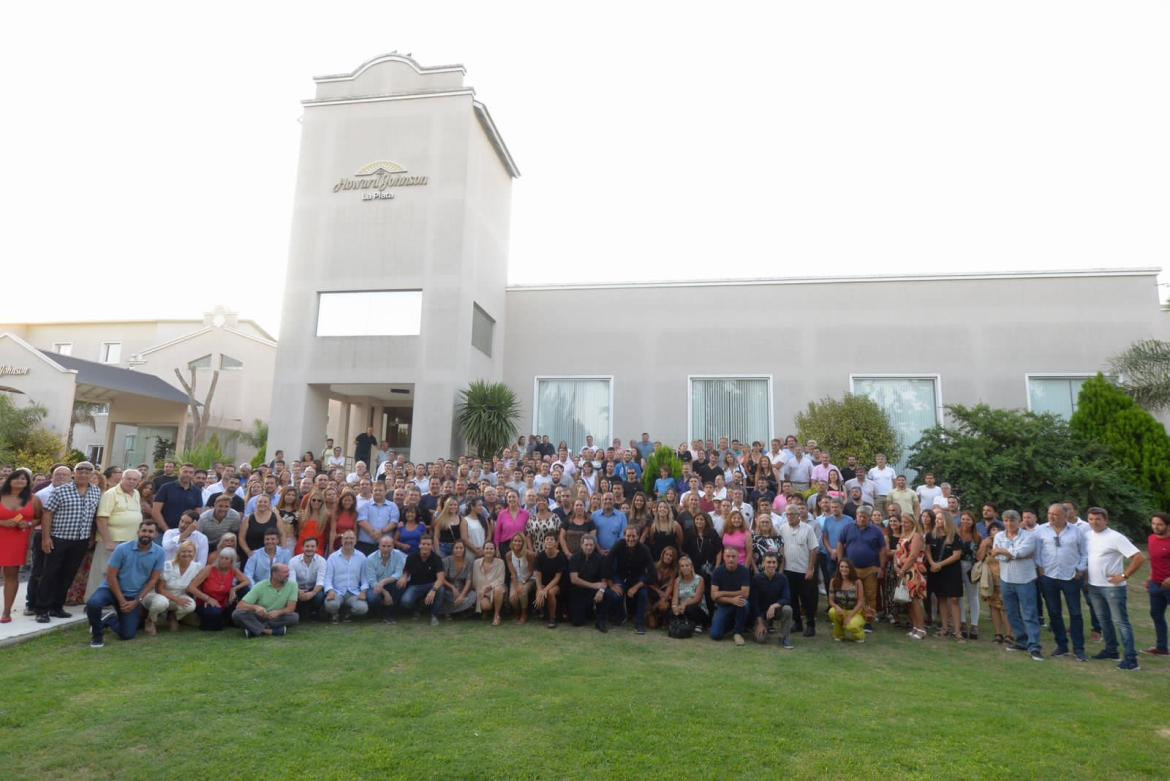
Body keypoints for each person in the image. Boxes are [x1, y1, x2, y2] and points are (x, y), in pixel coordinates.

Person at [35, 461, 100, 624]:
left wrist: (91, 537)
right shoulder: (61, 491)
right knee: (50, 574)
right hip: (59, 539)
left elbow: (94, 517)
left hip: (80, 541)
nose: (83, 474)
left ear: (92, 474)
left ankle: (57, 607)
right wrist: (46, 538)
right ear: (74, 473)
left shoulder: (96, 492)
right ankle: (42, 609)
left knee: (68, 575)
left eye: (88, 471)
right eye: (80, 470)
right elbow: (47, 513)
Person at [1084, 507, 1146, 671]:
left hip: (1113, 588)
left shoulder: (1116, 537)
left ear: (1106, 520)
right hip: (1094, 586)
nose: (1094, 522)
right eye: (1090, 519)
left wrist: (1124, 576)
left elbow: (1139, 558)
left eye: (1098, 519)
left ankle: (1131, 659)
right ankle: (1111, 651)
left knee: (1121, 622)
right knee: (1103, 620)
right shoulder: (1088, 536)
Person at [84, 520, 164, 647]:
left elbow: (153, 580)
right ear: (138, 532)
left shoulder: (160, 552)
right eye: (144, 530)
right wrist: (121, 600)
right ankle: (97, 637)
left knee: (127, 635)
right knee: (93, 603)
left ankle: (109, 620)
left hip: (133, 596)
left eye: (150, 531)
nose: (146, 534)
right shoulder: (122, 549)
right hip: (110, 589)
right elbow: (111, 576)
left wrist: (137, 601)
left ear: (155, 535)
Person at [1035, 502, 1088, 661]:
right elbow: (1037, 551)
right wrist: (1040, 567)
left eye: (1056, 514)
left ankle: (1079, 649)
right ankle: (1062, 646)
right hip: (1049, 576)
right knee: (1054, 612)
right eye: (1050, 513)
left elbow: (1084, 553)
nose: (1051, 517)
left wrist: (1080, 568)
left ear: (1065, 516)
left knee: (1075, 613)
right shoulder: (1041, 530)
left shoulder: (1077, 532)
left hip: (1071, 577)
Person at [992, 510, 1043, 661]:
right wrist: (1009, 554)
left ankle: (1034, 646)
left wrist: (1006, 553)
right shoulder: (999, 536)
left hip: (1025, 580)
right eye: (1006, 521)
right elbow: (997, 555)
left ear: (1018, 521)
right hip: (1006, 578)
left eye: (1012, 521)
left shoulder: (1029, 536)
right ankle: (1021, 641)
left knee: (1029, 613)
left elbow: (1021, 552)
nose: (1009, 524)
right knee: (1012, 612)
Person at [86, 468, 144, 600]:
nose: (131, 481)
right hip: (112, 541)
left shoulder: (136, 493)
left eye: (134, 479)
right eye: (128, 478)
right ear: (122, 479)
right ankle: (94, 600)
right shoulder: (111, 494)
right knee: (103, 571)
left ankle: (113, 600)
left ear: (138, 482)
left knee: (121, 573)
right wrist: (108, 541)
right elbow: (101, 519)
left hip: (130, 541)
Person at [838, 505, 886, 632]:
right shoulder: (848, 528)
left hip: (871, 568)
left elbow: (882, 549)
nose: (862, 519)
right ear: (856, 516)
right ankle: (851, 618)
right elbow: (840, 544)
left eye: (865, 517)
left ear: (869, 518)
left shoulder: (876, 531)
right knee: (852, 595)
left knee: (870, 595)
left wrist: (881, 567)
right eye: (860, 516)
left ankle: (868, 622)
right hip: (852, 569)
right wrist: (840, 561)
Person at [0, 469, 39, 623]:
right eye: (16, 478)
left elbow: (38, 518)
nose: (20, 481)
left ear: (28, 482)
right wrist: (2, 522)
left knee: (11, 575)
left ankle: (6, 611)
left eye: (23, 479)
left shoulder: (33, 499)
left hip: (17, 541)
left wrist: (28, 523)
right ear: (10, 480)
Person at [777, 505, 820, 637]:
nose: (789, 516)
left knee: (807, 599)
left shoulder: (808, 529)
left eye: (792, 514)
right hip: (789, 570)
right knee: (792, 599)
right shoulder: (783, 528)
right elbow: (781, 547)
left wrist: (810, 569)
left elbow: (814, 549)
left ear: (798, 515)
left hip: (804, 571)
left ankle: (811, 625)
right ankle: (797, 623)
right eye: (787, 514)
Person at [603, 525, 655, 634]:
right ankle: (620, 616)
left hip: (637, 578)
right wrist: (611, 584)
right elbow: (608, 561)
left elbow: (652, 572)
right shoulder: (619, 544)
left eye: (634, 536)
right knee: (614, 594)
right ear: (624, 536)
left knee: (643, 594)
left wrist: (636, 587)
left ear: (638, 536)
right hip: (620, 576)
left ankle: (639, 624)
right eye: (628, 536)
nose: (631, 539)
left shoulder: (644, 549)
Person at [143, 539, 200, 632]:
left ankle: (172, 616)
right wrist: (178, 600)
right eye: (184, 551)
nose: (187, 554)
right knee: (161, 603)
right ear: (178, 553)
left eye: (190, 551)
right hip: (160, 595)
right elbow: (160, 589)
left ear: (194, 553)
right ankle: (150, 620)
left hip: (178, 594)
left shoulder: (196, 567)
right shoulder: (168, 565)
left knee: (191, 606)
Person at [926, 509, 965, 641]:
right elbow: (927, 552)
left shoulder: (954, 536)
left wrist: (940, 564)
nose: (938, 521)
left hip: (951, 571)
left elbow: (957, 555)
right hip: (937, 571)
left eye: (940, 519)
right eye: (936, 519)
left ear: (947, 520)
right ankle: (944, 627)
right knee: (941, 599)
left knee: (954, 600)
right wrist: (932, 563)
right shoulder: (931, 535)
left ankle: (957, 630)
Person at [189, 547, 250, 630]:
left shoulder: (233, 570)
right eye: (221, 558)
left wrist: (234, 589)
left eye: (226, 559)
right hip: (206, 603)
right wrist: (208, 599)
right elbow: (191, 587)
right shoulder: (209, 569)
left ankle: (229, 619)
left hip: (224, 603)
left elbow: (247, 581)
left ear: (231, 561)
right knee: (215, 618)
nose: (223, 560)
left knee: (244, 589)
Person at [233, 563, 299, 638]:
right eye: (285, 572)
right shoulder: (260, 586)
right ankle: (270, 631)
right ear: (274, 574)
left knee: (294, 617)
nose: (288, 574)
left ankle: (253, 629)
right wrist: (256, 608)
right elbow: (240, 605)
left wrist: (279, 612)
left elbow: (291, 608)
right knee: (237, 614)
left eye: (288, 572)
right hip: (259, 616)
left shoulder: (293, 585)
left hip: (276, 617)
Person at [395, 535, 444, 624]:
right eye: (423, 544)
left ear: (432, 546)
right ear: (419, 545)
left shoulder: (437, 559)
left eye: (428, 544)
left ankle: (434, 615)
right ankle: (417, 609)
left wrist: (433, 590)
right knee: (405, 602)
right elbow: (406, 572)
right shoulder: (411, 557)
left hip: (431, 585)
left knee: (440, 589)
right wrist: (403, 578)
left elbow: (440, 579)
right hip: (415, 586)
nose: (425, 546)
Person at [894, 513, 928, 639]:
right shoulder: (904, 535)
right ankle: (915, 626)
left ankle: (921, 629)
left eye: (907, 522)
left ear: (913, 523)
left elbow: (913, 556)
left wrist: (902, 569)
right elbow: (898, 553)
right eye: (903, 521)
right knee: (908, 600)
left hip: (913, 571)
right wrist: (897, 567)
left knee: (915, 600)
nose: (904, 524)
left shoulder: (916, 536)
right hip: (904, 570)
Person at [324, 530, 370, 622]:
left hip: (354, 593)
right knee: (331, 605)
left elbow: (365, 578)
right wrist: (330, 590)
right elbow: (327, 578)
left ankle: (347, 613)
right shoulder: (333, 557)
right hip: (337, 592)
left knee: (362, 608)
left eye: (351, 538)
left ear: (356, 541)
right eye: (346, 538)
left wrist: (364, 591)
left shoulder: (362, 557)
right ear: (341, 541)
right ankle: (335, 613)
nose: (349, 541)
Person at [750, 552, 794, 648]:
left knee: (787, 609)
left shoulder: (783, 578)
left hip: (776, 611)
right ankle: (760, 627)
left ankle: (785, 638)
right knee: (760, 640)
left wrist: (774, 605)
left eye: (774, 562)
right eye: (768, 562)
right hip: (761, 614)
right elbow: (754, 603)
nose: (771, 565)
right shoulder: (756, 579)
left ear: (777, 564)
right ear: (763, 564)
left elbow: (787, 598)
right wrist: (760, 622)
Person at [709, 547, 751, 645]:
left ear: (738, 558)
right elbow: (713, 596)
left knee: (743, 603)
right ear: (724, 557)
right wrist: (732, 600)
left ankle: (738, 633)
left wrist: (722, 593)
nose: (731, 559)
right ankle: (731, 626)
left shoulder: (744, 571)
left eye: (733, 556)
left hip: (739, 604)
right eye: (728, 556)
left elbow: (745, 593)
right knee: (715, 635)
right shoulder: (718, 571)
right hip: (723, 605)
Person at [568, 534, 608, 631]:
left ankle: (600, 621)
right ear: (581, 545)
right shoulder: (574, 558)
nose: (589, 547)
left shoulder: (600, 559)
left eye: (591, 545)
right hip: (578, 591)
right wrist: (593, 585)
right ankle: (588, 612)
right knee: (577, 622)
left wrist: (601, 590)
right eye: (586, 545)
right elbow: (574, 579)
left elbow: (604, 579)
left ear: (594, 546)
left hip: (594, 592)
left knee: (606, 594)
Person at [152, 463, 203, 532]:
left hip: (186, 533)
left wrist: (188, 531)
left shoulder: (197, 491)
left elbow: (197, 514)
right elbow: (156, 511)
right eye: (185, 472)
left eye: (191, 472)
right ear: (179, 472)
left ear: (193, 475)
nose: (188, 474)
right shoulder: (166, 487)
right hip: (163, 531)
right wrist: (167, 531)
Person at [1147, 513, 1170, 656]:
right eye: (1153, 523)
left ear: (1168, 526)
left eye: (1159, 524)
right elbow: (1154, 560)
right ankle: (1162, 648)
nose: (1156, 527)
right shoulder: (1151, 539)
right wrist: (1150, 577)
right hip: (1156, 584)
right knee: (1156, 614)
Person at [828, 559, 867, 642]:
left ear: (851, 569)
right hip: (841, 610)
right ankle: (839, 633)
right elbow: (831, 600)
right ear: (838, 568)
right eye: (841, 566)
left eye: (846, 567)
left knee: (851, 625)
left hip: (855, 611)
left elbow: (860, 602)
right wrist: (836, 607)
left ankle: (860, 635)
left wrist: (849, 617)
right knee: (832, 611)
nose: (844, 569)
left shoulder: (857, 582)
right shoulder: (833, 581)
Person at [437, 539, 476, 618]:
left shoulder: (469, 562)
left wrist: (462, 595)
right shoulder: (446, 561)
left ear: (464, 549)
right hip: (448, 589)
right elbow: (441, 578)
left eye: (461, 548)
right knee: (443, 593)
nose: (459, 550)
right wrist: (452, 588)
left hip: (461, 589)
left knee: (473, 595)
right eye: (456, 548)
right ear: (453, 549)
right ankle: (458, 610)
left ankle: (450, 611)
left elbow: (469, 581)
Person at [290, 536, 327, 621]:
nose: (309, 549)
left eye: (312, 546)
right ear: (302, 547)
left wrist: (312, 593)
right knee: (291, 593)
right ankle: (300, 611)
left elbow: (320, 582)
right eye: (307, 546)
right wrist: (298, 591)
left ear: (316, 548)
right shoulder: (293, 561)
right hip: (298, 589)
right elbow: (292, 582)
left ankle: (315, 612)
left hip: (314, 589)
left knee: (319, 596)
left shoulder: (322, 561)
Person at [358, 481, 399, 556]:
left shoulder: (393, 506)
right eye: (375, 490)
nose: (377, 492)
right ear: (372, 491)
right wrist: (374, 532)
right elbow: (362, 521)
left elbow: (394, 522)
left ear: (385, 492)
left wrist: (381, 532)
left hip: (385, 546)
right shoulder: (365, 506)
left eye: (380, 490)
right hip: (365, 545)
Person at [471, 540, 506, 625]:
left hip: (496, 589)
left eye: (491, 549)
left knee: (498, 589)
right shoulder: (476, 563)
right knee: (485, 606)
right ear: (483, 550)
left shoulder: (500, 562)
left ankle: (496, 615)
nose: (489, 550)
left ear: (494, 551)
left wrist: (488, 587)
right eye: (486, 548)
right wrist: (479, 592)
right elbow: (474, 580)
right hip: (482, 592)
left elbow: (501, 580)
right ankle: (486, 611)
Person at [671, 554, 708, 631]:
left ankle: (698, 624)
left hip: (697, 608)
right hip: (682, 608)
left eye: (687, 565)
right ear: (680, 568)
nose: (685, 568)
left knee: (690, 609)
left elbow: (697, 599)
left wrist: (684, 604)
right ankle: (684, 622)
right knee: (671, 612)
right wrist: (674, 607)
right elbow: (675, 598)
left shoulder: (699, 579)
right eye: (682, 566)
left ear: (691, 567)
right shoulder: (677, 580)